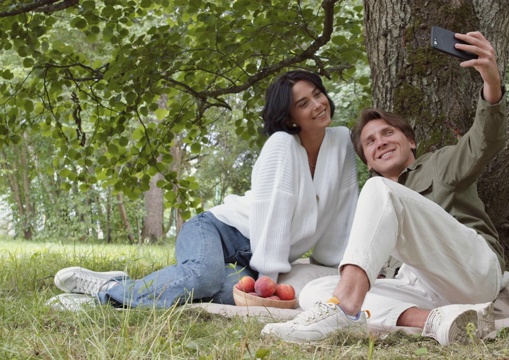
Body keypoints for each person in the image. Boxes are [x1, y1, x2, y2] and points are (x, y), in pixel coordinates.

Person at [261, 31, 507, 346]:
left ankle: (345, 309)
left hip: (470, 272)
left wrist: (491, 81)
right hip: (420, 292)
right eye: (370, 142)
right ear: (369, 162)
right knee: (315, 291)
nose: (381, 142)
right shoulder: (375, 204)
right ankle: (436, 321)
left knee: (379, 194)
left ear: (411, 141)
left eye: (388, 132)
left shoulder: (440, 164)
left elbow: (485, 140)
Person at [51, 70, 359, 308]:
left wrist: (338, 266)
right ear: (289, 117)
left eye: (317, 94)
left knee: (226, 294)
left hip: (254, 257)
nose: (318, 105)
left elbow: (343, 207)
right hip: (217, 230)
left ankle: (128, 283)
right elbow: (273, 212)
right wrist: (269, 280)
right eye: (303, 103)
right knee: (204, 277)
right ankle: (106, 294)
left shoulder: (341, 141)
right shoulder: (282, 145)